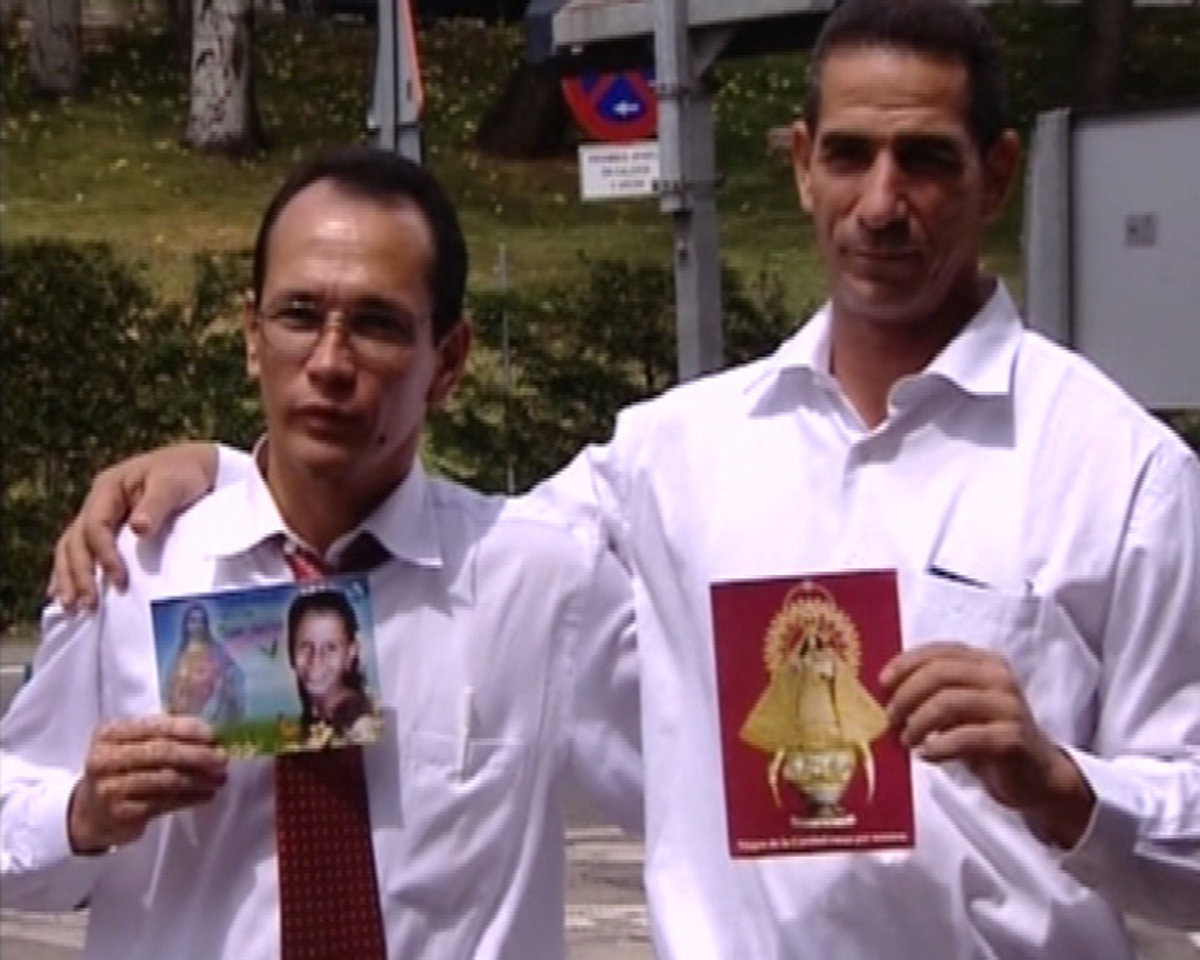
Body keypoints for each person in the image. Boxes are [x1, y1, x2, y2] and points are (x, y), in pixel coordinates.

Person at [43, 0, 1200, 956]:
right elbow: (416, 545)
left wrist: (1063, 785)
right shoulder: (674, 455)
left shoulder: (1122, 476)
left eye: (928, 160)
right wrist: (228, 476)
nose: (882, 203)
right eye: (849, 154)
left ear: (998, 173)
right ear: (802, 166)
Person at [1, 147, 641, 960]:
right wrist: (82, 815)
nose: (331, 363)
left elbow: (711, 802)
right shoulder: (135, 569)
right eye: (299, 316)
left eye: (376, 325)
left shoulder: (544, 587)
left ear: (448, 362)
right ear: (251, 336)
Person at [286, 587, 378, 745]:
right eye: (305, 646)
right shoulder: (318, 719)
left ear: (351, 652)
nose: (316, 660)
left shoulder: (361, 726)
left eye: (331, 647)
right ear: (291, 649)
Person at [165, 601, 245, 725]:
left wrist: (225, 686)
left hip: (212, 711)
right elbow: (171, 686)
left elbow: (233, 674)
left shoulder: (216, 650)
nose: (197, 625)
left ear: (205, 625)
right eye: (193, 621)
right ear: (186, 625)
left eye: (201, 621)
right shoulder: (180, 654)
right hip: (186, 714)